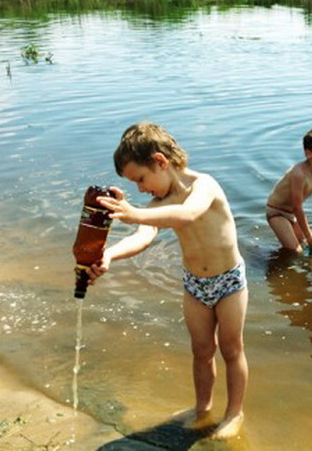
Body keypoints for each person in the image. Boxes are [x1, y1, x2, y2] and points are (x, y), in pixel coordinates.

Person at [86, 122, 248, 440]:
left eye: (141, 179)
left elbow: (187, 214)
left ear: (161, 161)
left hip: (229, 281)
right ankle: (202, 408)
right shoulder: (157, 205)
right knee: (201, 351)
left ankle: (234, 413)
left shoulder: (205, 185)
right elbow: (143, 236)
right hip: (194, 284)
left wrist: (134, 212)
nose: (140, 190)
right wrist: (108, 255)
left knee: (231, 349)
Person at [265, 127, 312, 253]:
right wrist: (308, 236)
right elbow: (297, 207)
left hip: (291, 214)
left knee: (311, 244)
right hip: (276, 212)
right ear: (309, 153)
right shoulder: (299, 174)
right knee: (296, 251)